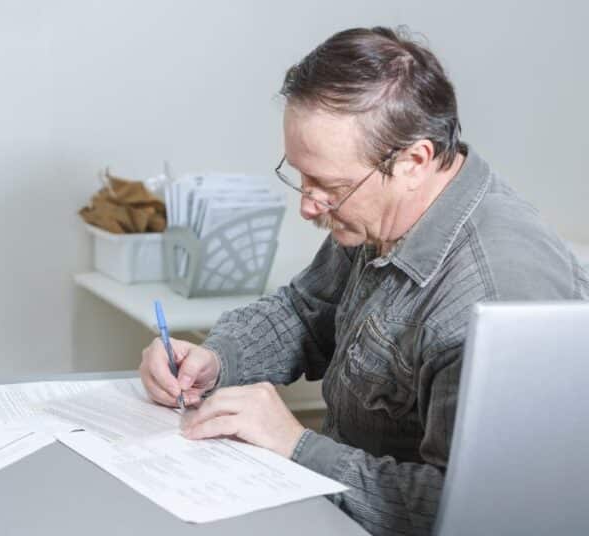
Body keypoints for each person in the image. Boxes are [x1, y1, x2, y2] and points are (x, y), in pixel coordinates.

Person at [140, 27, 589, 535]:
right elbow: (306, 310)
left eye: (328, 187)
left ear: (413, 161)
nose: (308, 205)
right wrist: (219, 359)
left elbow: (472, 515)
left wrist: (295, 445)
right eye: (301, 177)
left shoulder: (495, 298)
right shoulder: (382, 212)